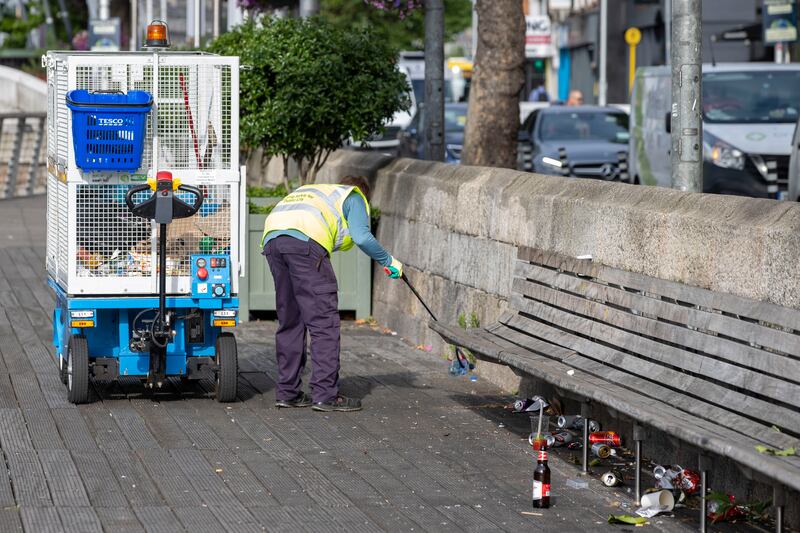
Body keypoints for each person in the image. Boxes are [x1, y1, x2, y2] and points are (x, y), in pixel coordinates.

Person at [261, 176, 403, 412]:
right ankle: (325, 395)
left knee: (290, 320)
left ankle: (288, 392)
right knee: (323, 323)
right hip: (306, 243)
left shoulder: (315, 192)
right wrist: (389, 261)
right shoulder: (354, 195)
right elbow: (361, 236)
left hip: (272, 240)